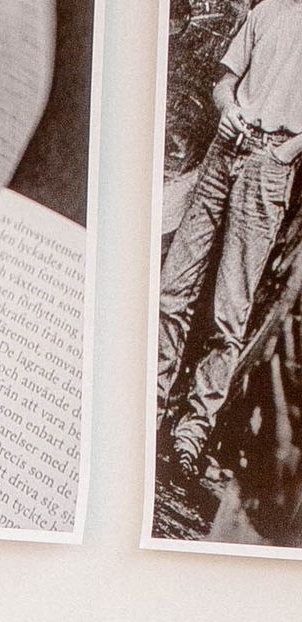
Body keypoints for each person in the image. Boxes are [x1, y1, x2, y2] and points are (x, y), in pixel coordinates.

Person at [156, 0, 302, 480]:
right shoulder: (268, 11)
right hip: (226, 150)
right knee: (173, 290)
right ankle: (149, 407)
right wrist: (228, 110)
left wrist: (285, 151)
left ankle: (191, 434)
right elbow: (225, 81)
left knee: (229, 313)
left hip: (269, 168)